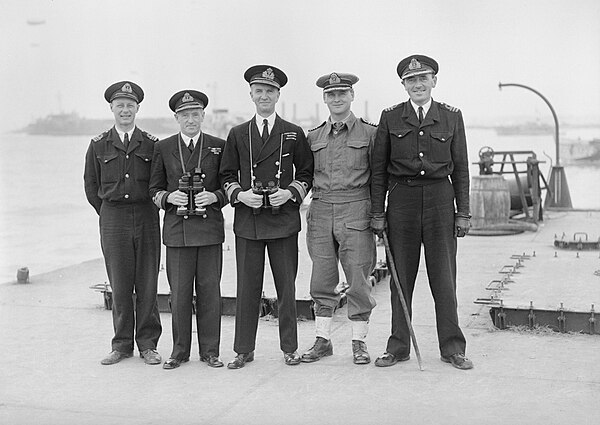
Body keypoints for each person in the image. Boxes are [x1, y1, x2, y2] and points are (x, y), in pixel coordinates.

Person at [370, 55, 474, 370]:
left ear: (433, 82)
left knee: (444, 278)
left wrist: (463, 212)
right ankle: (399, 346)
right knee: (400, 278)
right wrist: (378, 212)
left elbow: (462, 169)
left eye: (423, 79)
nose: (417, 85)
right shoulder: (391, 117)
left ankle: (452, 347)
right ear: (404, 85)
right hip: (402, 201)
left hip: (441, 201)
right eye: (411, 81)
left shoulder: (451, 117)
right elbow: (378, 171)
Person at [220, 65, 314, 369]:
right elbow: (225, 175)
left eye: (270, 91)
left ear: (278, 95)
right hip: (249, 220)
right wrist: (240, 195)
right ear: (251, 94)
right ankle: (243, 350)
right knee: (247, 288)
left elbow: (307, 172)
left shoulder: (293, 132)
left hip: (283, 219)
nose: (264, 96)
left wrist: (290, 193)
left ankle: (290, 348)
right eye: (259, 91)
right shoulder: (237, 133)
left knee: (286, 288)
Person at [84, 81, 162, 366]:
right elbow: (91, 187)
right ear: (112, 109)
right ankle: (121, 345)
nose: (125, 110)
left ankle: (148, 345)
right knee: (120, 284)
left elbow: (158, 183)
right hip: (113, 218)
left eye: (130, 105)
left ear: (138, 108)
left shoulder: (152, 144)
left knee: (147, 283)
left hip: (146, 216)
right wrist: (108, 213)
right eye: (120, 106)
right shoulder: (98, 145)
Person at [301, 73, 377, 365]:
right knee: (321, 278)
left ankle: (359, 342)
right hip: (320, 210)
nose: (337, 99)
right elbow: (305, 176)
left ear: (352, 96)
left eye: (342, 94)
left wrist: (379, 215)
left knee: (358, 278)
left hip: (356, 209)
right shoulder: (314, 137)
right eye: (331, 95)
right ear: (324, 98)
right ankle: (323, 340)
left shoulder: (370, 134)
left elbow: (379, 177)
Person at [149, 90, 227, 370]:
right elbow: (153, 188)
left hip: (208, 231)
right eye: (185, 115)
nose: (191, 120)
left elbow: (229, 185)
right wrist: (168, 197)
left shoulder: (219, 145)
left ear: (203, 116)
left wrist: (215, 197)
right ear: (176, 118)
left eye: (195, 114)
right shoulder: (163, 147)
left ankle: (210, 351)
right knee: (179, 294)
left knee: (210, 292)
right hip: (177, 231)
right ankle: (179, 352)